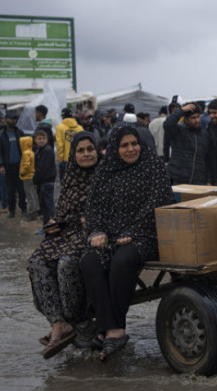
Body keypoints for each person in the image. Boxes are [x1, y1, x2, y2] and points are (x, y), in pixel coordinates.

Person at [80, 126, 174, 361]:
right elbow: (93, 208)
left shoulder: (153, 168)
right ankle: (109, 328)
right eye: (124, 145)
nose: (131, 149)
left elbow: (160, 205)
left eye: (134, 143)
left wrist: (132, 232)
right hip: (110, 237)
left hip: (145, 236)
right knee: (89, 261)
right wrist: (98, 232)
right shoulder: (105, 171)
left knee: (122, 261)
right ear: (115, 148)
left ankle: (114, 329)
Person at [28, 131, 100, 358]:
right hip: (67, 232)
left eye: (90, 149)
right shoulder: (70, 176)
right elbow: (61, 211)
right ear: (73, 155)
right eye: (81, 150)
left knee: (66, 263)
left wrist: (95, 219)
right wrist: (54, 223)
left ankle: (74, 319)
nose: (86, 154)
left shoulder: (105, 176)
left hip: (93, 233)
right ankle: (58, 323)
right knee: (37, 262)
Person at [165, 103, 209, 185]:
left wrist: (208, 180)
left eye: (198, 117)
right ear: (185, 119)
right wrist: (181, 110)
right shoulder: (178, 131)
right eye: (193, 118)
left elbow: (208, 158)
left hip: (198, 181)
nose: (197, 120)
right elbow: (168, 124)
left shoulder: (204, 135)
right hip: (178, 178)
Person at [0, 112, 26, 219]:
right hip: (8, 166)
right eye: (10, 119)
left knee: (22, 189)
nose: (12, 121)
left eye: (14, 119)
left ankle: (23, 209)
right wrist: (1, 165)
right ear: (6, 120)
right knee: (10, 190)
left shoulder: (20, 133)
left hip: (20, 165)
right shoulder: (1, 135)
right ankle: (12, 210)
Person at [33, 125, 57, 225]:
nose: (41, 140)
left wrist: (35, 180)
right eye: (39, 139)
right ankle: (46, 225)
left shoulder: (47, 151)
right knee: (44, 205)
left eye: (43, 138)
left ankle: (50, 225)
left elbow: (42, 168)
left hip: (46, 181)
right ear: (35, 140)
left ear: (47, 139)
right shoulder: (39, 150)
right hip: (43, 181)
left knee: (47, 205)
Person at [18, 133, 39, 220]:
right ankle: (35, 210)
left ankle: (31, 212)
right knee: (33, 194)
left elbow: (26, 165)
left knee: (29, 195)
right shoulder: (32, 152)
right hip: (32, 176)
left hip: (27, 177)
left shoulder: (26, 153)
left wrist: (22, 172)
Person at [55, 108, 81, 180]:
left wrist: (60, 159)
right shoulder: (80, 128)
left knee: (65, 184)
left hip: (65, 160)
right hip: (78, 159)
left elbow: (59, 145)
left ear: (63, 116)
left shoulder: (59, 128)